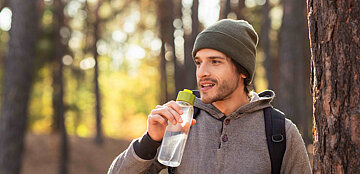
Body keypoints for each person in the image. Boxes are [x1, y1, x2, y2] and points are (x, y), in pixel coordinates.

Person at [108, 19, 311, 174]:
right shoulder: (179, 124)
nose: (202, 72)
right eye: (198, 62)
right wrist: (150, 141)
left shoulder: (281, 132)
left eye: (215, 62)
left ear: (243, 71)